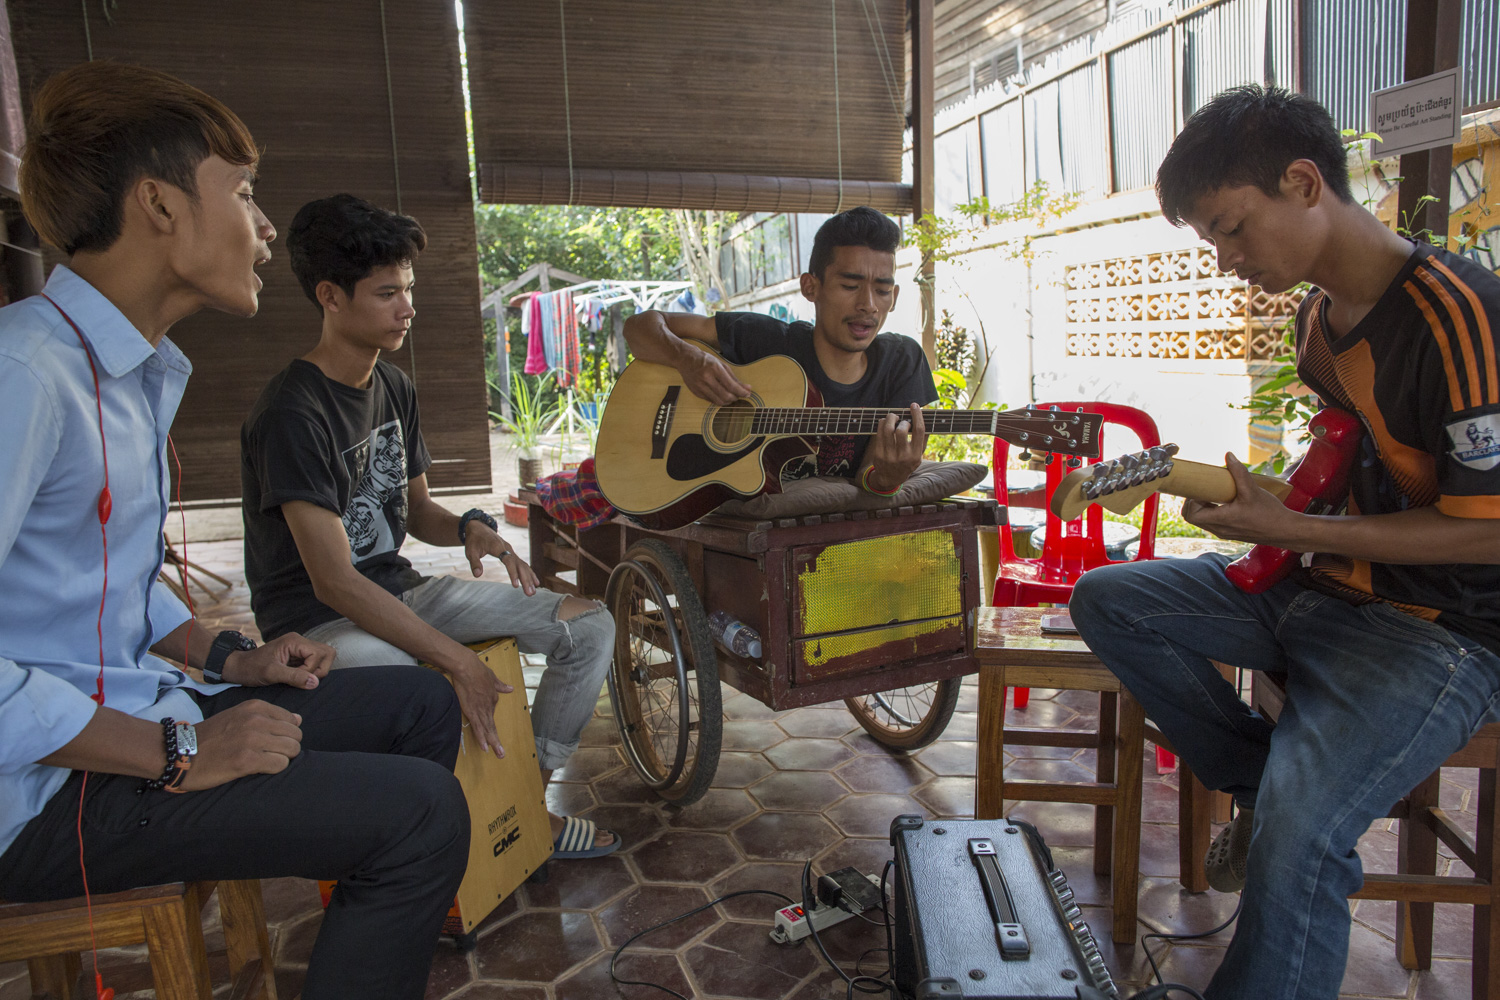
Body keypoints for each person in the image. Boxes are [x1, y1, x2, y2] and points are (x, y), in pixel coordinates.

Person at [0, 63, 468, 999]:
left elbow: (114, 590)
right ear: (159, 204)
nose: (264, 231)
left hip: (135, 712)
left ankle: (369, 926)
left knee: (424, 703)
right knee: (422, 816)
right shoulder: (25, 375)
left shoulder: (131, 376)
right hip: (43, 790)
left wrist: (232, 658)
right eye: (245, 193)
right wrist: (176, 753)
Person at [1068, 84, 1500, 999]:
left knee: (1305, 839)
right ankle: (1261, 780)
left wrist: (1294, 527)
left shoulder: (1461, 318)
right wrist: (1273, 504)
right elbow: (1348, 463)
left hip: (1442, 632)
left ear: (1304, 183)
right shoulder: (1317, 322)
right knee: (1112, 597)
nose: (1225, 261)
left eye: (1230, 229)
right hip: (1321, 589)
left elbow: (1487, 534)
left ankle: (1282, 810)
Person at [240, 194, 618, 859]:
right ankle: (433, 839)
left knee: (589, 627)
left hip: (403, 591)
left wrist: (471, 524)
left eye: (408, 289)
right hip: (320, 621)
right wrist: (450, 660)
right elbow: (332, 582)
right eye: (387, 293)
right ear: (330, 295)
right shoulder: (292, 413)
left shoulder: (394, 387)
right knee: (416, 684)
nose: (407, 308)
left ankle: (525, 803)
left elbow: (417, 512)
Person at [622, 206, 937, 494]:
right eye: (850, 286)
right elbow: (639, 327)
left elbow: (868, 477)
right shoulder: (766, 341)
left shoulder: (901, 361)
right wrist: (685, 358)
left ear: (893, 296)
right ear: (810, 287)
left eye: (882, 290)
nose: (868, 305)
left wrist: (886, 478)